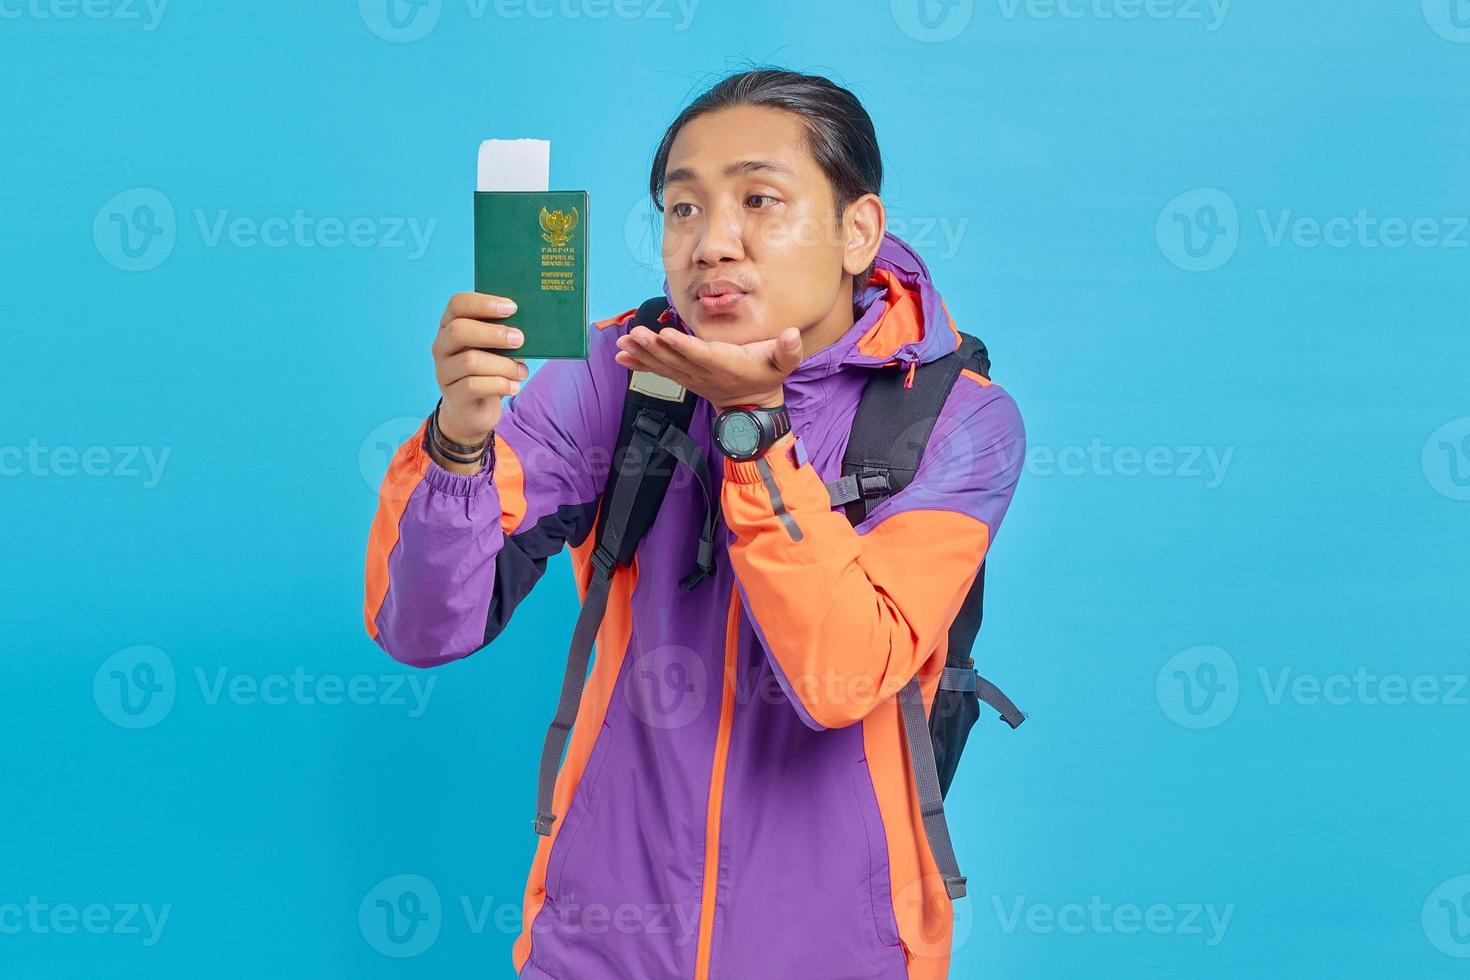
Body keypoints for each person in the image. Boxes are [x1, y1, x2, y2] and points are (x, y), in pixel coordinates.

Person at [364, 67, 1024, 980]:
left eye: (760, 200)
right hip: (598, 945)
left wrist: (754, 433)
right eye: (682, 209)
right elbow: (424, 627)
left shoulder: (956, 417)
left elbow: (842, 676)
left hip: (842, 952)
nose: (713, 242)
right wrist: (458, 442)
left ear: (856, 231)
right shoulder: (613, 370)